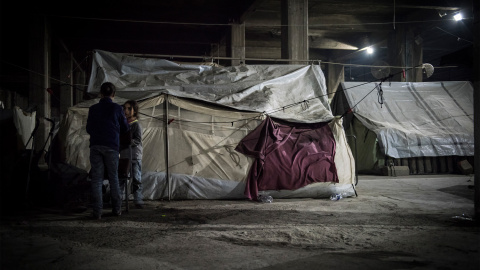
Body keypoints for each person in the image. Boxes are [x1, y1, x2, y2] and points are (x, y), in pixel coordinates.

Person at [86, 82, 129, 220]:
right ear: (114, 94)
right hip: (111, 146)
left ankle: (97, 212)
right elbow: (125, 128)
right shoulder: (117, 108)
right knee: (113, 178)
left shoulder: (93, 109)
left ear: (101, 93)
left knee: (97, 180)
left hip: (96, 146)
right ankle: (116, 210)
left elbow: (88, 129)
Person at [119, 100, 144, 209]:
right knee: (121, 178)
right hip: (124, 156)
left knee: (136, 179)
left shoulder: (136, 125)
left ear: (134, 110)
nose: (126, 111)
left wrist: (126, 142)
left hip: (134, 156)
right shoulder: (123, 124)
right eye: (125, 108)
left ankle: (137, 200)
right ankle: (118, 199)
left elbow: (137, 140)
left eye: (129, 108)